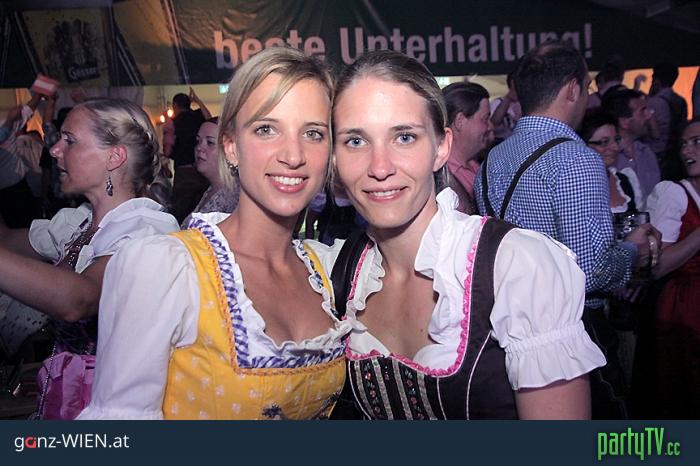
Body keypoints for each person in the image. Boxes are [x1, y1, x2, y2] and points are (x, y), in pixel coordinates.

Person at [318, 49, 605, 420]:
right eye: (356, 141)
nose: (380, 167)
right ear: (334, 158)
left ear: (442, 148)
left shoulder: (515, 267)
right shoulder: (337, 273)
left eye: (404, 137)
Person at [78, 47, 350, 420]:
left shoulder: (329, 270)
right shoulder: (167, 269)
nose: (293, 155)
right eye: (266, 129)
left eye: (313, 133)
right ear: (231, 147)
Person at [475, 41, 660, 419]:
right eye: (587, 88)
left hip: (510, 329)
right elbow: (591, 273)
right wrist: (633, 250)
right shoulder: (576, 159)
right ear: (572, 89)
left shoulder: (493, 157)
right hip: (572, 333)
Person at [0, 98, 179, 419]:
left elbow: (79, 299)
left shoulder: (147, 230)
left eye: (70, 140)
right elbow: (6, 241)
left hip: (113, 408)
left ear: (114, 157)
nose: (55, 150)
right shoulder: (79, 222)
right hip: (66, 394)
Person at [645, 117, 700, 418]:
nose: (686, 151)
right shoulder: (674, 193)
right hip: (684, 307)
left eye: (696, 142)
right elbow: (659, 265)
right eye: (683, 144)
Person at [579, 110, 644, 214]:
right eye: (604, 142)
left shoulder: (625, 181)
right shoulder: (575, 186)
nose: (616, 147)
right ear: (582, 145)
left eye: (616, 140)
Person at [442, 82, 492, 214]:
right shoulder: (440, 178)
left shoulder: (477, 167)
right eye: (485, 119)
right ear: (460, 121)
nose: (489, 127)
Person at [181, 117, 240, 227]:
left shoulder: (233, 197)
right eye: (198, 141)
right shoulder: (208, 190)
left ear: (230, 150)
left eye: (210, 142)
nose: (199, 148)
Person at [603, 89, 661, 199]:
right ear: (624, 121)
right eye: (643, 111)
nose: (649, 116)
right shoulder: (608, 158)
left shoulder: (646, 153)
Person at [164, 89, 210, 223]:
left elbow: (167, 151)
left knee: (181, 213)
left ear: (175, 105)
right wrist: (198, 101)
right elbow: (210, 119)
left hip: (183, 173)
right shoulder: (197, 116)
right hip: (201, 172)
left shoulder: (172, 123)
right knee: (202, 212)